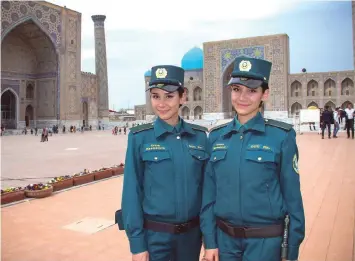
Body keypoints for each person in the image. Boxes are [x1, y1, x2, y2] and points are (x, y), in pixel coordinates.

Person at [200, 56, 305, 261]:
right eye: (237, 89)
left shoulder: (281, 136)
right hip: (225, 243)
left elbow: (292, 197)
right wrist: (210, 241)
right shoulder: (216, 137)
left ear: (264, 94)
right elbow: (208, 195)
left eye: (252, 90)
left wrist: (290, 249)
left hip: (266, 243)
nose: (243, 97)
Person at [120, 65, 209, 261]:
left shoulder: (200, 138)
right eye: (155, 96)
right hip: (155, 238)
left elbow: (208, 193)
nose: (161, 103)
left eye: (169, 96)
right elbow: (131, 193)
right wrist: (137, 244)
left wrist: (209, 239)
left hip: (191, 238)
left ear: (183, 97)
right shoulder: (140, 137)